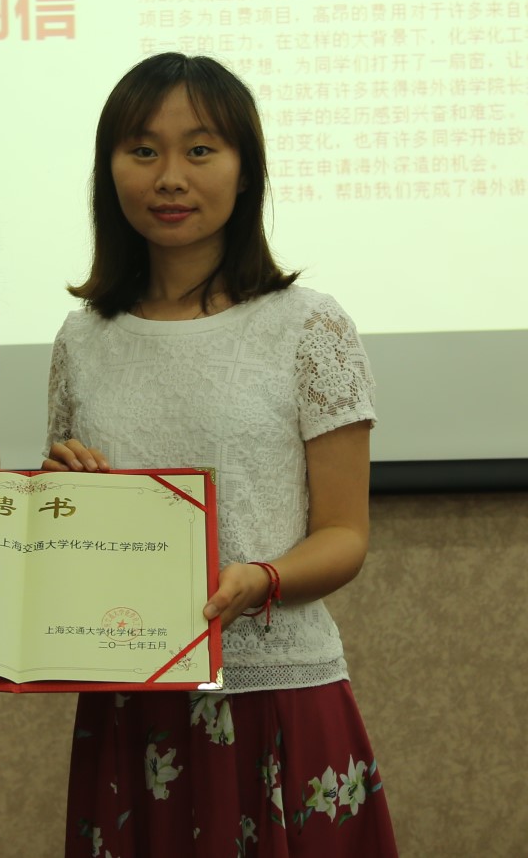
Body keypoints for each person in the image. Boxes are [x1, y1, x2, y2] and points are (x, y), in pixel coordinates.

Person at [44, 53, 398, 857]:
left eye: (200, 149)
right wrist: (61, 501)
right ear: (109, 171)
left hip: (274, 692)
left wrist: (260, 579)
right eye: (142, 150)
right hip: (133, 702)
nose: (170, 175)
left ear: (245, 171)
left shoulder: (309, 325)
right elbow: (75, 546)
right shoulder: (80, 341)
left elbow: (345, 534)